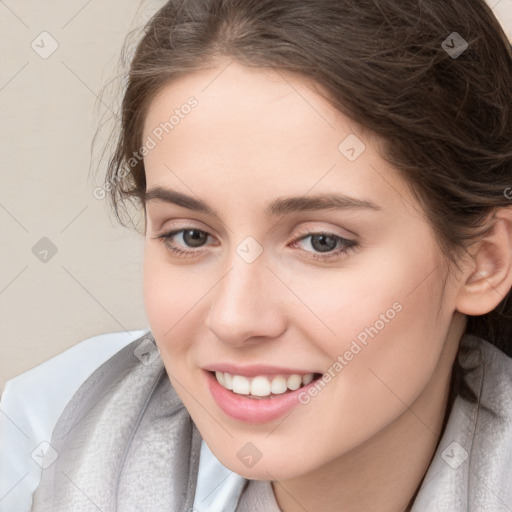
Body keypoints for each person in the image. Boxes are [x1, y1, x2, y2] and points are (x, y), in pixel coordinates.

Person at [1, 0, 512, 510]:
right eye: (191, 236)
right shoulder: (41, 440)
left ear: (484, 262)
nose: (234, 318)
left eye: (321, 242)